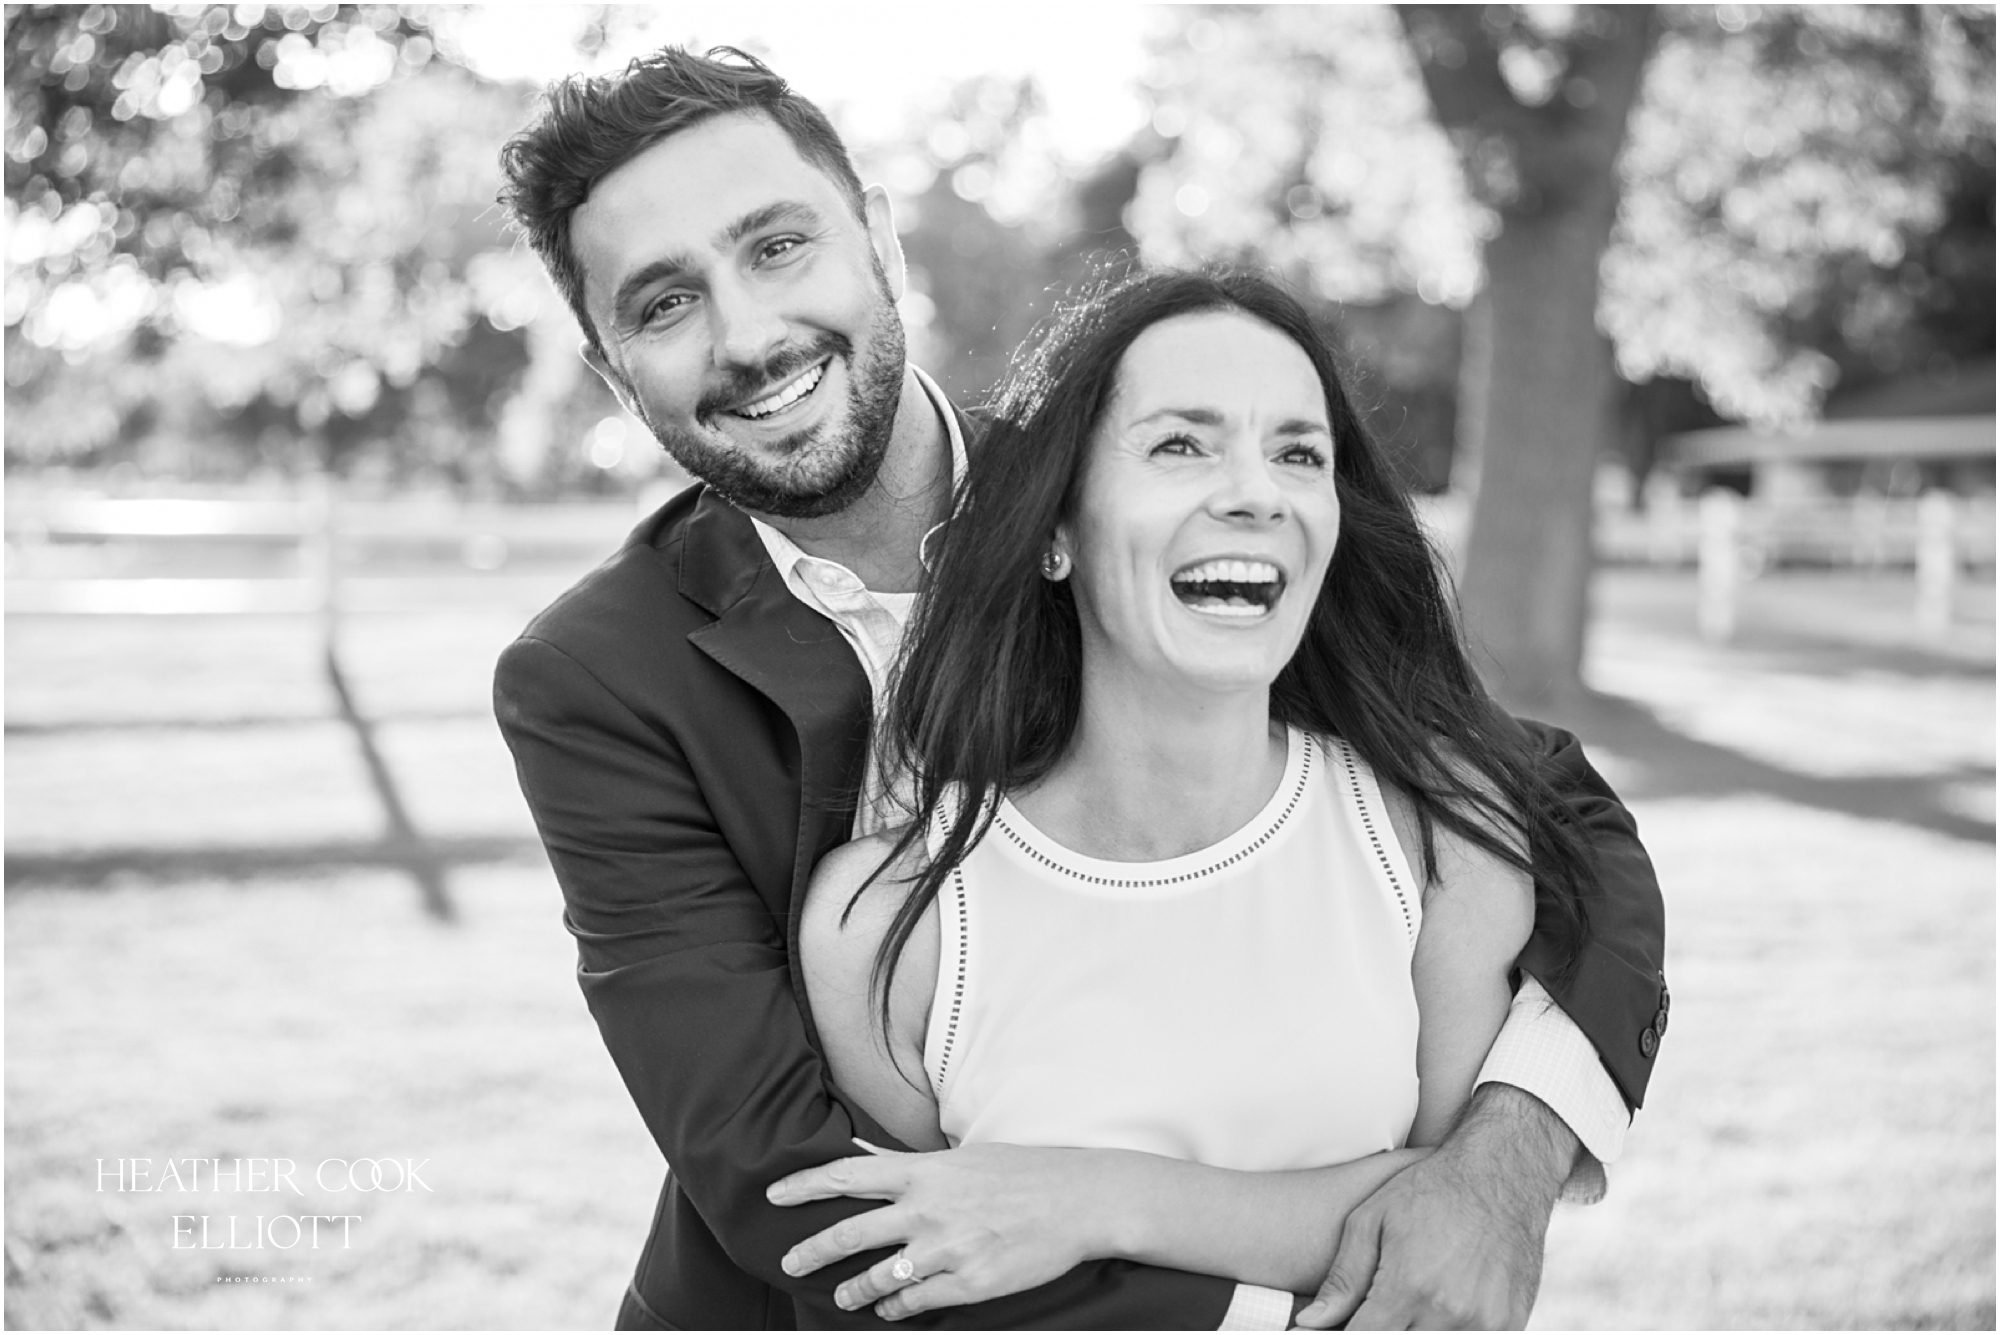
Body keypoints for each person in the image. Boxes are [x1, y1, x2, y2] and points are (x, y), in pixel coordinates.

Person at [493, 44, 1669, 1331]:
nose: (750, 335)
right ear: (612, 373)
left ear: (878, 240)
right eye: (663, 304)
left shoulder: (1133, 493)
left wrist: (1495, 1173)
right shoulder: (592, 681)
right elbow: (801, 1193)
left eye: (777, 246)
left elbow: (1554, 816)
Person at [776, 267, 1603, 1329]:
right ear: (1054, 531)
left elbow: (1450, 1227)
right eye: (1181, 444)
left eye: (1298, 454)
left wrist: (1091, 1198)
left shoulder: (1438, 844)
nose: (1257, 492)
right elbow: (932, 1274)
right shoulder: (889, 925)